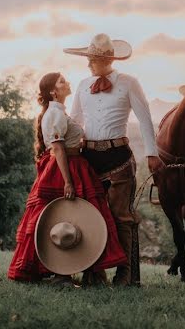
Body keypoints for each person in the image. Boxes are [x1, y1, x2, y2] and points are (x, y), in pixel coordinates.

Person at [7, 71, 127, 282]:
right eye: (62, 81)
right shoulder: (54, 114)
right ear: (54, 91)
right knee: (60, 217)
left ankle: (86, 270)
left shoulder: (60, 112)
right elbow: (59, 149)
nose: (67, 82)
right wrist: (69, 182)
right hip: (64, 169)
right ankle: (60, 271)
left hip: (75, 164)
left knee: (82, 217)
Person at [65, 33, 164, 287]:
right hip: (89, 159)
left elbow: (144, 119)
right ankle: (93, 274)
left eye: (93, 59)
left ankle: (127, 276)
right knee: (90, 217)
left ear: (107, 59)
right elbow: (75, 121)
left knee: (122, 218)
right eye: (88, 59)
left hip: (119, 157)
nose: (88, 64)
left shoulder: (129, 83)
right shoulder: (82, 84)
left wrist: (151, 153)